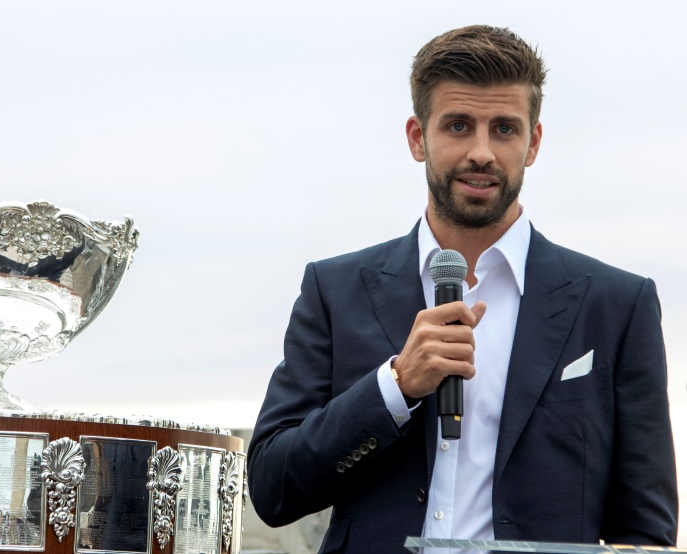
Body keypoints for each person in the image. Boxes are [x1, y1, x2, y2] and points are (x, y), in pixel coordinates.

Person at [247, 25, 677, 553]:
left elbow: (646, 532)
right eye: (457, 125)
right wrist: (396, 387)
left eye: (504, 128)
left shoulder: (617, 305)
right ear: (416, 137)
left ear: (533, 142)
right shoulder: (334, 291)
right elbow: (272, 487)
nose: (482, 152)